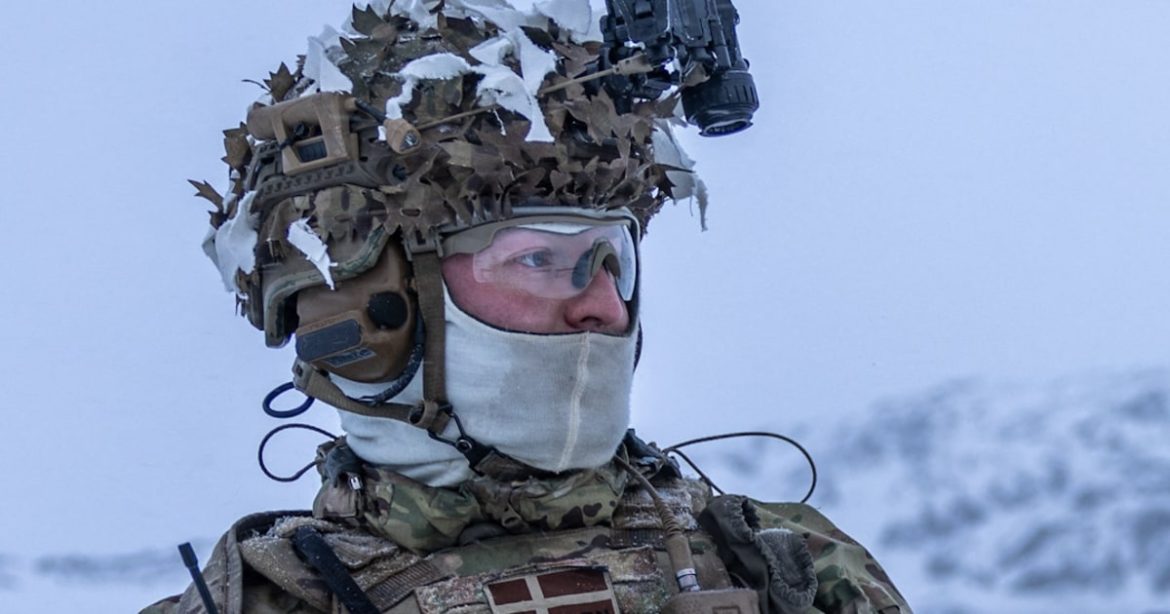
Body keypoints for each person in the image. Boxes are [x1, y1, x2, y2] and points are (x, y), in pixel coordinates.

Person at [147, 1, 910, 612]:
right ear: (363, 311)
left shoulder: (792, 570)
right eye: (539, 261)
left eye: (613, 260)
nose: (603, 306)